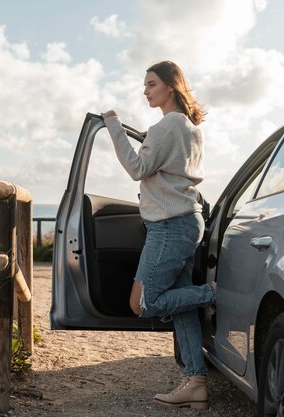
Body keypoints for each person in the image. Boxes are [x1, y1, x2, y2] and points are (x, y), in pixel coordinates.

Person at [101, 60, 215, 410]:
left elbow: (138, 169)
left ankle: (213, 293)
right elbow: (165, 168)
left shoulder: (168, 125)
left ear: (170, 86)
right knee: (181, 307)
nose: (145, 90)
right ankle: (195, 381)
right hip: (184, 221)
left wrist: (113, 127)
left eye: (151, 84)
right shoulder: (188, 126)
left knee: (144, 303)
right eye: (145, 84)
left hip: (168, 226)